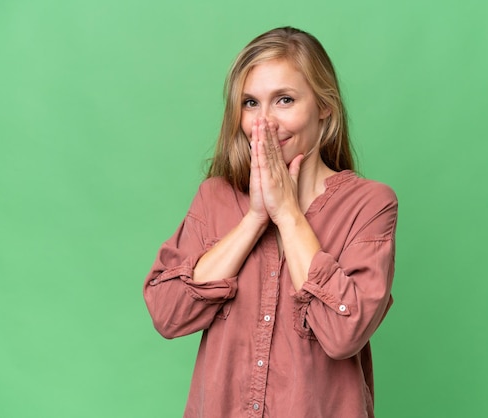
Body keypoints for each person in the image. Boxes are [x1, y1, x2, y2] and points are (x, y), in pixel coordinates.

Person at [144, 26, 398, 417]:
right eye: (250, 103)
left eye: (284, 100)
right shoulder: (215, 196)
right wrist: (254, 219)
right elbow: (167, 313)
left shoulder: (369, 204)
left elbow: (343, 334)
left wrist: (288, 214)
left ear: (324, 105)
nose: (264, 122)